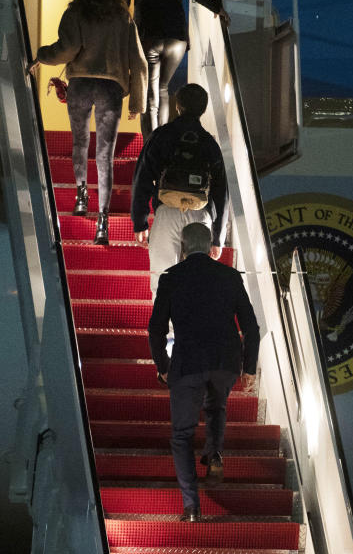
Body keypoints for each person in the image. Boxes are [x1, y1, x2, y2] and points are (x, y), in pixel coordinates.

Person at [148, 222, 260, 522]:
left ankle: (192, 506)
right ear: (211, 247)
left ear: (182, 248)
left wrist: (163, 366)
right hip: (226, 360)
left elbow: (156, 328)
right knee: (216, 406)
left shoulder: (171, 278)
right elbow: (250, 325)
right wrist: (249, 367)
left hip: (189, 362)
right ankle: (214, 454)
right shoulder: (229, 275)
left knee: (182, 435)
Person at [31, 0, 148, 245]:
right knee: (105, 154)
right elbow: (139, 62)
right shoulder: (123, 18)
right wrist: (137, 101)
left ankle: (81, 196)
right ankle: (103, 223)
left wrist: (40, 55)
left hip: (81, 84)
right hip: (110, 88)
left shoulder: (76, 13)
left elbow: (65, 50)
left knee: (80, 143)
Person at [121, 0, 230, 140]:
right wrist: (218, 8)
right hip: (176, 38)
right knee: (162, 88)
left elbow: (121, 3)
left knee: (149, 94)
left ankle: (152, 145)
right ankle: (161, 140)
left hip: (148, 36)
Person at [131, 83, 228, 296]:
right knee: (196, 281)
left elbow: (142, 178)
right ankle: (190, 328)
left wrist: (140, 221)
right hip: (200, 215)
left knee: (163, 280)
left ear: (178, 106)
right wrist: (218, 235)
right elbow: (221, 192)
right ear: (203, 110)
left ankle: (165, 329)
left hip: (166, 211)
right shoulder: (209, 143)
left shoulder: (161, 136)